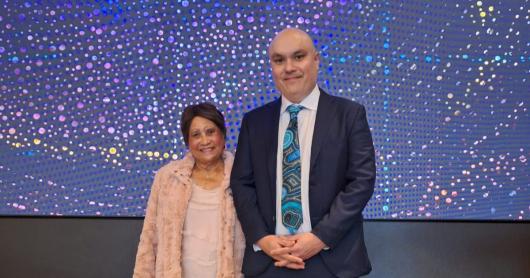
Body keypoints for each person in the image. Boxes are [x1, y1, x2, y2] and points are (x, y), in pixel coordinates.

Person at [230, 28, 376, 277]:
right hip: (271, 261)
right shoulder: (254, 122)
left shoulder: (349, 115)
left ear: (316, 60)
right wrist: (263, 239)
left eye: (298, 56)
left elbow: (361, 181)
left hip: (332, 259)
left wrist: (320, 237)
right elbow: (241, 184)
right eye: (279, 60)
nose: (288, 67)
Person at [133, 103, 245, 278]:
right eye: (196, 135)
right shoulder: (167, 177)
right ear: (187, 142)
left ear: (222, 135)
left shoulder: (242, 176)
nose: (204, 141)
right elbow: (149, 239)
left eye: (210, 132)